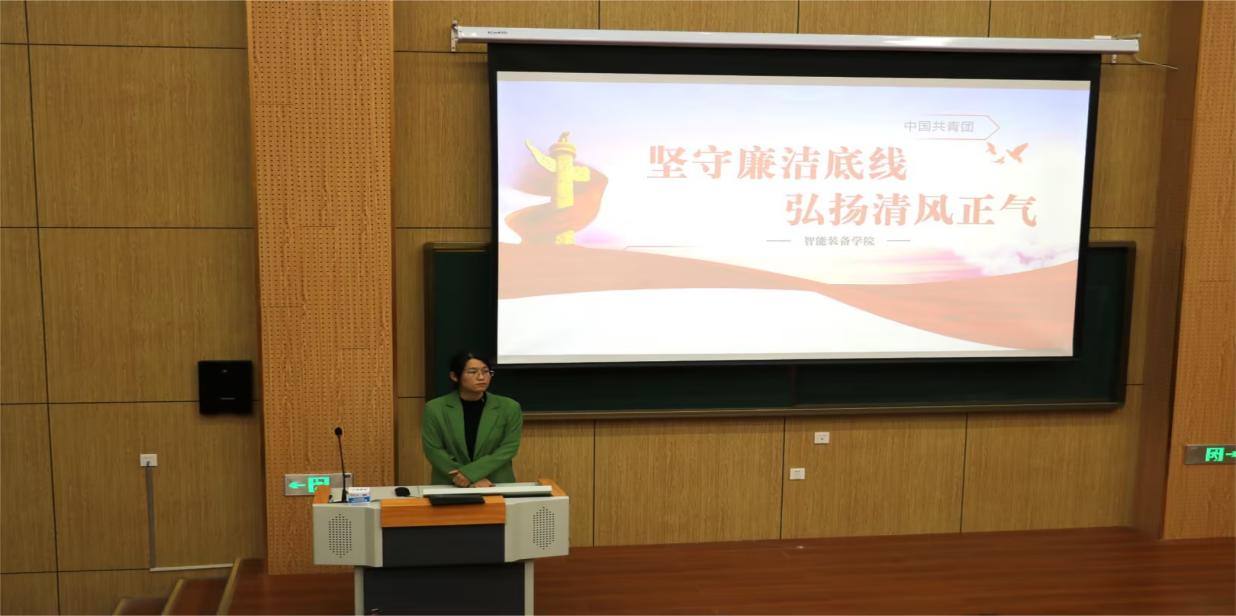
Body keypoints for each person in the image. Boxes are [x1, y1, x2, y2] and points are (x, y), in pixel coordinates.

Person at [421, 351, 523, 487]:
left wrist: (471, 474)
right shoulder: (434, 408)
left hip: (494, 483)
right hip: (451, 483)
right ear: (454, 376)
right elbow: (434, 450)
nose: (481, 377)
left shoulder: (509, 407)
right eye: (472, 372)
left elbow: (508, 448)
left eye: (486, 372)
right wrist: (466, 477)